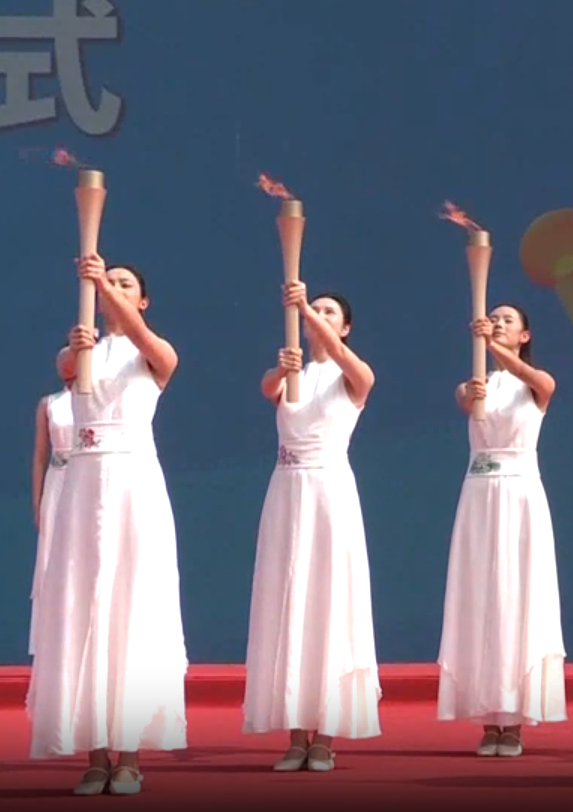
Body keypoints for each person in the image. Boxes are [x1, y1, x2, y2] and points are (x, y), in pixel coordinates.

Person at [27, 255, 187, 796]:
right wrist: (78, 347)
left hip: (134, 487)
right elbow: (65, 367)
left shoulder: (156, 354)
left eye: (125, 283)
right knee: (85, 609)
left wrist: (99, 283)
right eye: (108, 280)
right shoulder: (80, 354)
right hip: (82, 491)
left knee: (130, 609)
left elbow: (143, 338)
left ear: (143, 299)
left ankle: (130, 755)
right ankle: (95, 754)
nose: (113, 287)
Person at [242, 281, 381, 773]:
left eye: (329, 312)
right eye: (313, 309)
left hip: (329, 495)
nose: (317, 315)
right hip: (286, 494)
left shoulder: (353, 376)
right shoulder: (293, 374)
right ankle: (297, 732)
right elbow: (268, 389)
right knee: (290, 603)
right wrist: (282, 368)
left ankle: (325, 735)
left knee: (327, 603)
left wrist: (303, 306)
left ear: (345, 327)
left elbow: (353, 366)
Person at [438, 303, 566, 757]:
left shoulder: (538, 384)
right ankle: (488, 716)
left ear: (525, 336)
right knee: (483, 600)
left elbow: (537, 381)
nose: (498, 323)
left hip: (520, 494)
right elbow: (466, 401)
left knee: (517, 598)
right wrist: (476, 376)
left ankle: (514, 720)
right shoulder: (473, 386)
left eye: (507, 319)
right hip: (478, 495)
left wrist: (489, 345)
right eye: (493, 317)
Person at [27, 363, 74, 659]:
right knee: (51, 557)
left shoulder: (95, 401)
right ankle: (50, 642)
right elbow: (40, 456)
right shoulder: (49, 404)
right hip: (57, 482)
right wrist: (38, 500)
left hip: (85, 479)